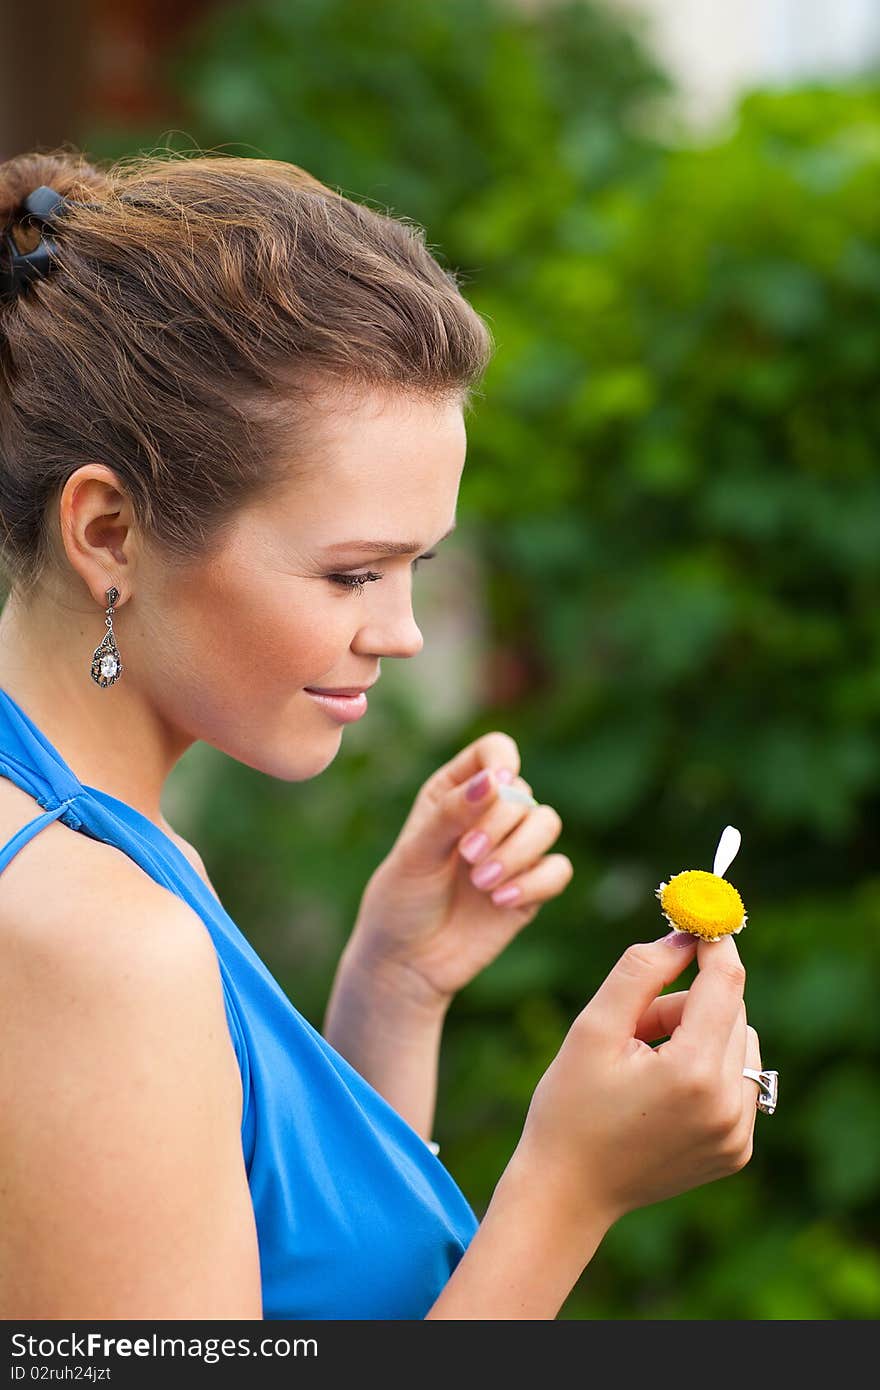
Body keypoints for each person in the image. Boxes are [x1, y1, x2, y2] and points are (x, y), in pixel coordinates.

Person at [0, 148, 766, 1321]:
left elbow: (297, 1295)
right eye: (352, 572)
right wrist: (568, 1189)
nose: (401, 632)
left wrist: (394, 988)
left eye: (418, 565)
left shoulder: (99, 850)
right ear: (109, 531)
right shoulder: (92, 940)